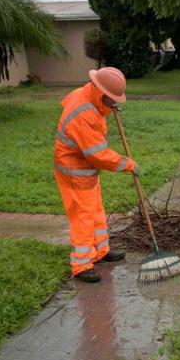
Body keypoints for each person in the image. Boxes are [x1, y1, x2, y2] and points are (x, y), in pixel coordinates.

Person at [54, 67, 138, 283]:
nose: (113, 103)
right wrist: (127, 164)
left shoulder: (87, 95)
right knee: (83, 216)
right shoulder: (84, 114)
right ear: (100, 93)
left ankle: (101, 251)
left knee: (96, 210)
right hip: (75, 171)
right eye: (111, 100)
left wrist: (107, 108)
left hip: (86, 170)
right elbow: (98, 155)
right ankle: (82, 264)